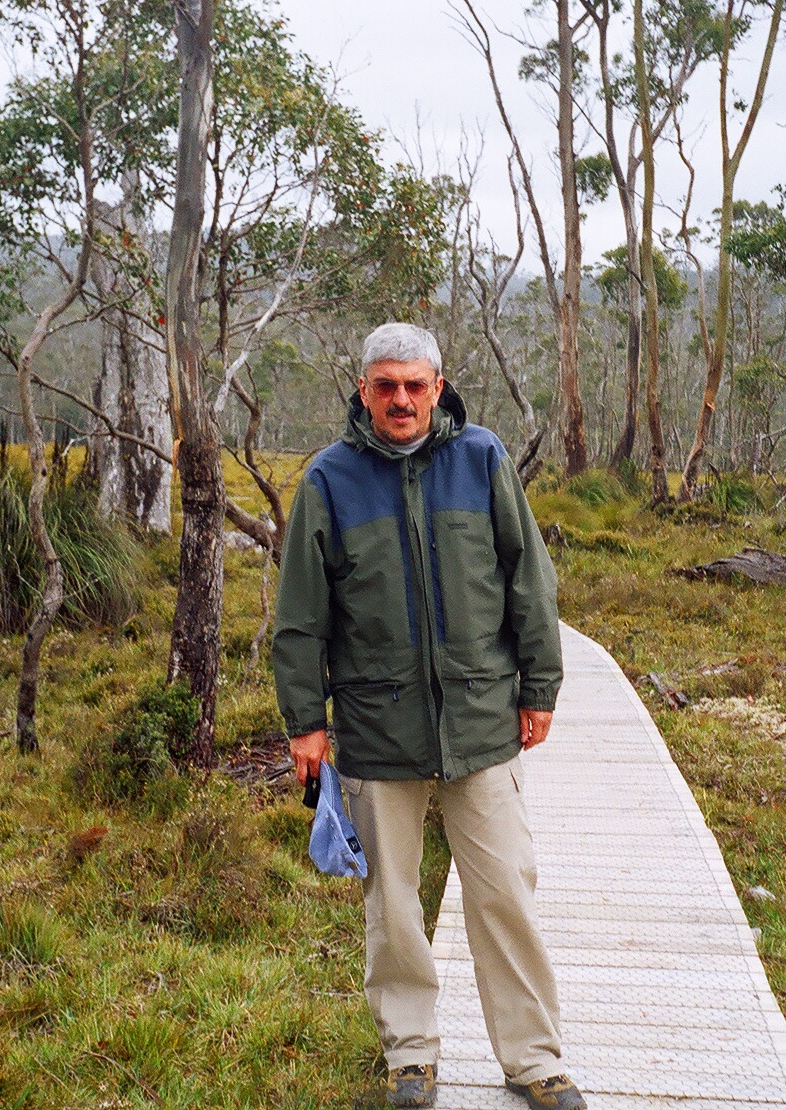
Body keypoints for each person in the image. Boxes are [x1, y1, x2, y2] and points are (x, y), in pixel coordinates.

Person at [273, 323, 585, 1110]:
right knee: (392, 903)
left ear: (437, 387)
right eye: (386, 386)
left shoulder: (481, 458)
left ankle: (534, 1058)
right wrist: (305, 720)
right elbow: (301, 616)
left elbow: (528, 579)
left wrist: (540, 687)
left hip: (481, 719)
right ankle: (409, 1055)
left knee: (505, 892)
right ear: (363, 390)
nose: (401, 400)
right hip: (377, 728)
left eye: (415, 385)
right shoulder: (329, 479)